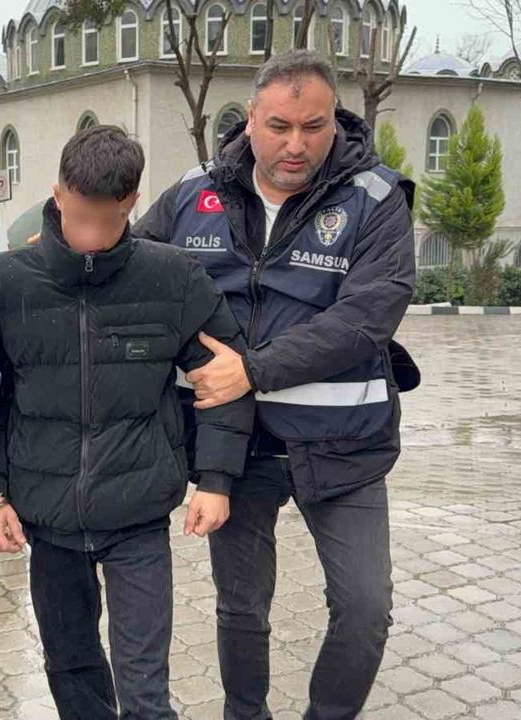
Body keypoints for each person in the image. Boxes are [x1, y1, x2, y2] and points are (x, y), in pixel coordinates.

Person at [134, 50, 418, 720]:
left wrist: (251, 369)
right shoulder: (192, 194)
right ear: (250, 121)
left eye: (313, 127)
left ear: (335, 121)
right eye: (280, 126)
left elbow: (365, 318)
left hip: (344, 444)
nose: (296, 145)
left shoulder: (376, 199)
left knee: (365, 608)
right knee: (241, 608)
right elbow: (134, 274)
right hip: (235, 449)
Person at [0, 126, 254, 720]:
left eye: (110, 220)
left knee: (145, 688)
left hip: (138, 518)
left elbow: (225, 379)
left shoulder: (173, 278)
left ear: (133, 202)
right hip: (48, 519)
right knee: (70, 670)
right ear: (57, 194)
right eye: (80, 218)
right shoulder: (2, 283)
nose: (93, 237)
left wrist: (216, 480)